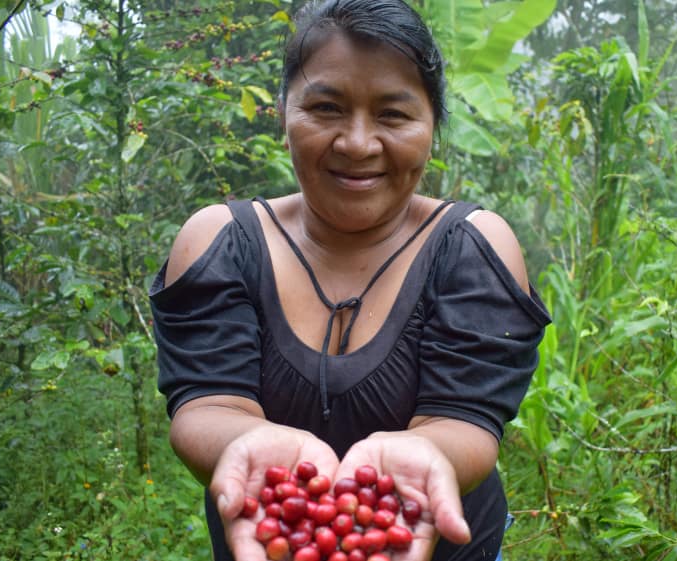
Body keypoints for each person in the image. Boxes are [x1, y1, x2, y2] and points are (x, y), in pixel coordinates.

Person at [148, 1, 551, 560]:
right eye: (326, 107)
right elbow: (206, 405)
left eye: (392, 115)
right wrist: (251, 443)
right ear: (283, 112)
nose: (357, 143)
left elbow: (464, 423)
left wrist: (423, 452)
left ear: (433, 124)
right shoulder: (220, 240)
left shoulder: (473, 246)